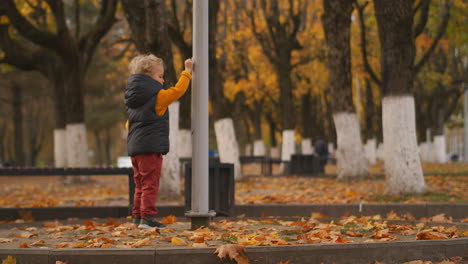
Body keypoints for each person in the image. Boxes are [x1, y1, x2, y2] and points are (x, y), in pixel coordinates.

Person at [125, 54, 193, 229]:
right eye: (160, 76)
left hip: (135, 149)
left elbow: (128, 125)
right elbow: (178, 91)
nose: (162, 81)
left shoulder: (133, 101)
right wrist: (187, 72)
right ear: (148, 77)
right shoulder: (158, 98)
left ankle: (137, 217)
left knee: (139, 184)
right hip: (150, 149)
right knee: (150, 184)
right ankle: (147, 218)